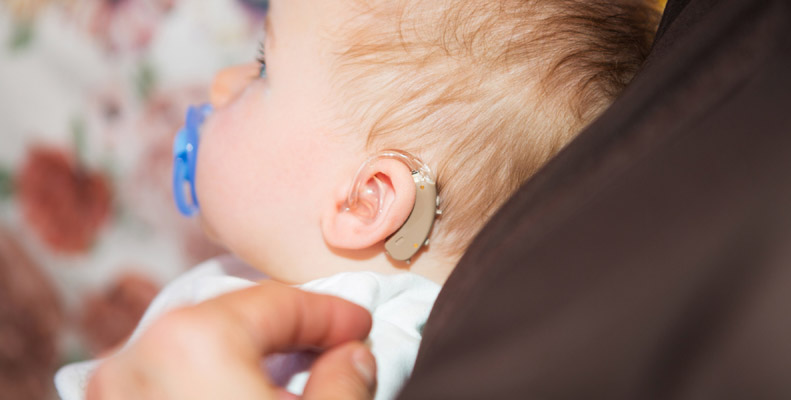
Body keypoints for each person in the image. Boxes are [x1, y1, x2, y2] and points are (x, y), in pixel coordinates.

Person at [56, 0, 661, 398]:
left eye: (264, 67)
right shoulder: (296, 287)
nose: (221, 83)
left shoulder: (350, 356)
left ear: (365, 203)